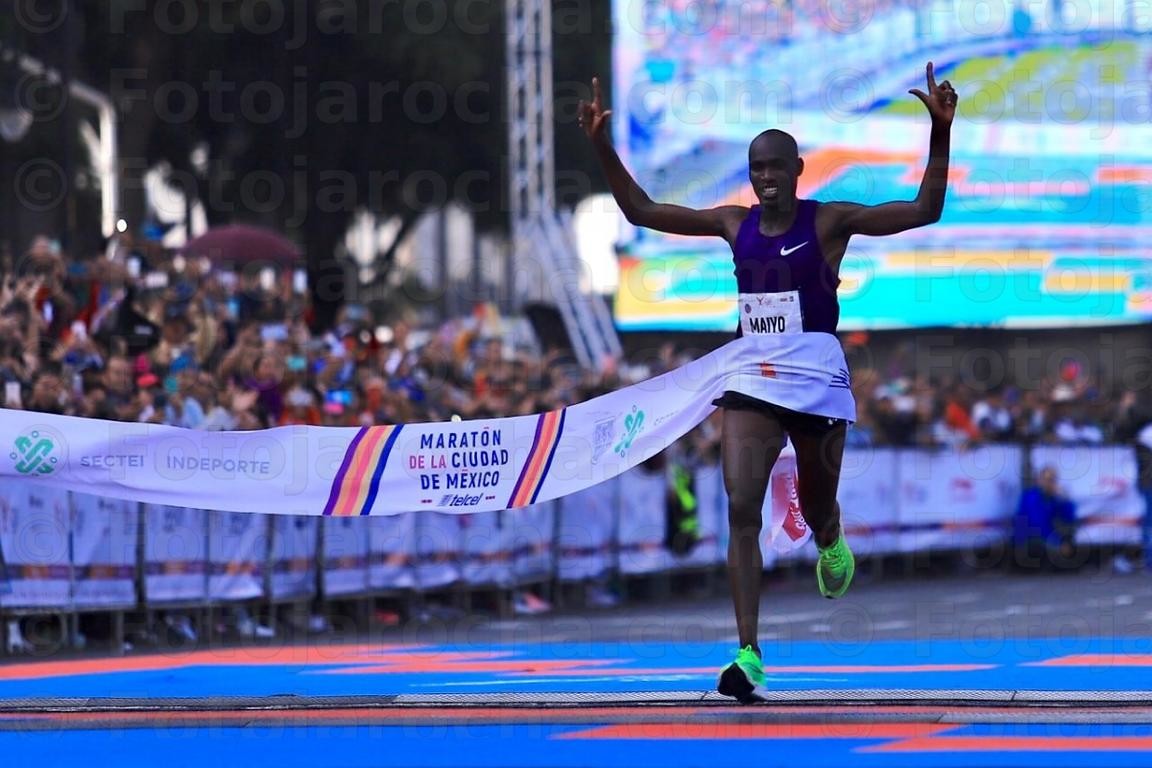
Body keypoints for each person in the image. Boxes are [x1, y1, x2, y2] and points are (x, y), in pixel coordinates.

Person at [579, 63, 957, 702]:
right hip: (751, 373)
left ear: (798, 171)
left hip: (815, 379)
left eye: (777, 167)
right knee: (740, 507)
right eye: (757, 169)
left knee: (816, 504)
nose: (766, 178)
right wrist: (601, 146)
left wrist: (940, 132)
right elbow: (642, 210)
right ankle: (748, 652)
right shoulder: (735, 225)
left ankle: (829, 537)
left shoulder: (829, 222)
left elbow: (924, 209)